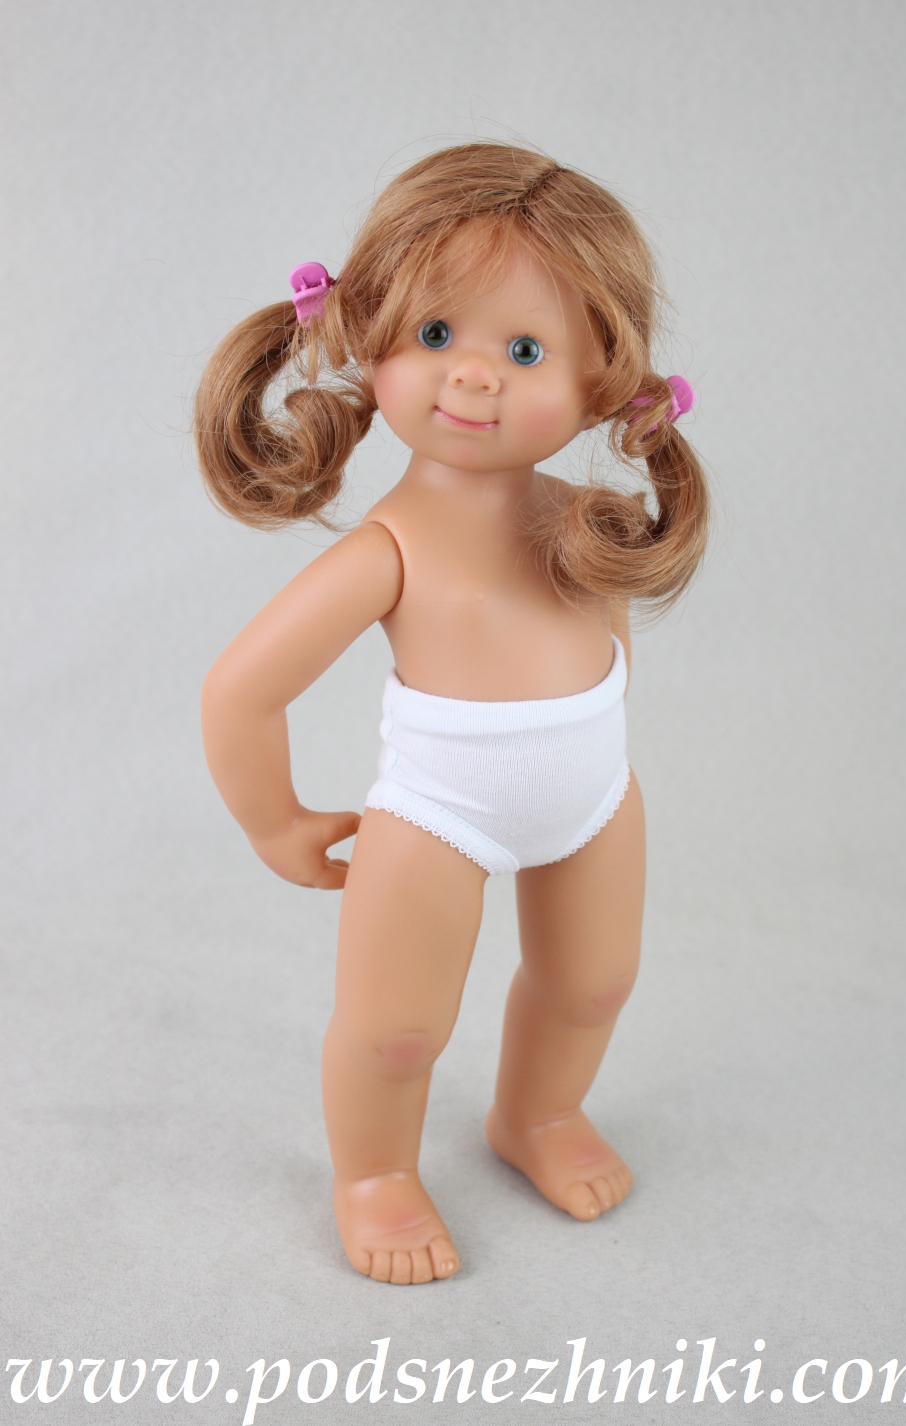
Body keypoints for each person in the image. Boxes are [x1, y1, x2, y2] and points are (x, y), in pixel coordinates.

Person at [195, 143, 708, 1285]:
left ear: (599, 379)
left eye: (523, 351)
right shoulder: (391, 550)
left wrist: (586, 730)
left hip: (592, 793)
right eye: (436, 334)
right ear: (368, 335)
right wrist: (275, 820)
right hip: (439, 809)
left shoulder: (583, 520)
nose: (472, 378)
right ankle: (373, 1175)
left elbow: (606, 632)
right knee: (393, 1029)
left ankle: (537, 1112)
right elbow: (241, 687)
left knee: (592, 985)